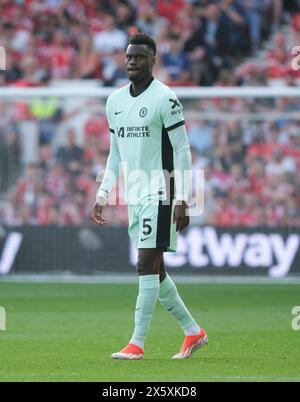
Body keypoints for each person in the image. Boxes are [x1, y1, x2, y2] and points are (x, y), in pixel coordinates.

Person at [91, 33, 207, 360]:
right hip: (135, 194)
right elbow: (115, 153)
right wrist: (103, 193)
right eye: (128, 56)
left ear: (152, 61)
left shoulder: (166, 98)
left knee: (144, 262)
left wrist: (183, 197)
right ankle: (193, 332)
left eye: (139, 57)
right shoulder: (114, 102)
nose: (131, 61)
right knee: (155, 269)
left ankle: (137, 343)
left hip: (163, 189)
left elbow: (183, 150)